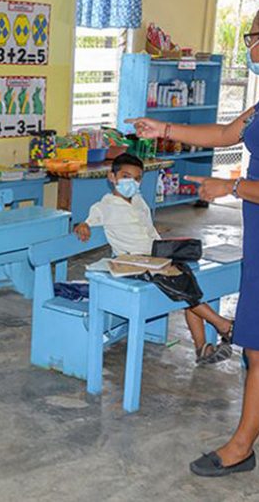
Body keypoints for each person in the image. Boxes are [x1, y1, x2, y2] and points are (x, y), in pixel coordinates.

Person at [128, 0, 259, 477]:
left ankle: (239, 448)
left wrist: (231, 187)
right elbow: (226, 134)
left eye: (251, 38)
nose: (248, 48)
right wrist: (163, 126)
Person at [74, 153, 234, 364]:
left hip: (154, 258)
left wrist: (166, 250)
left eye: (137, 178)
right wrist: (82, 225)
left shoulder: (139, 201)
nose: (132, 182)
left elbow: (149, 231)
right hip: (130, 263)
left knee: (187, 277)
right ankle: (223, 326)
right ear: (112, 178)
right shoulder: (105, 206)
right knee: (180, 284)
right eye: (125, 176)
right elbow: (86, 223)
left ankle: (202, 347)